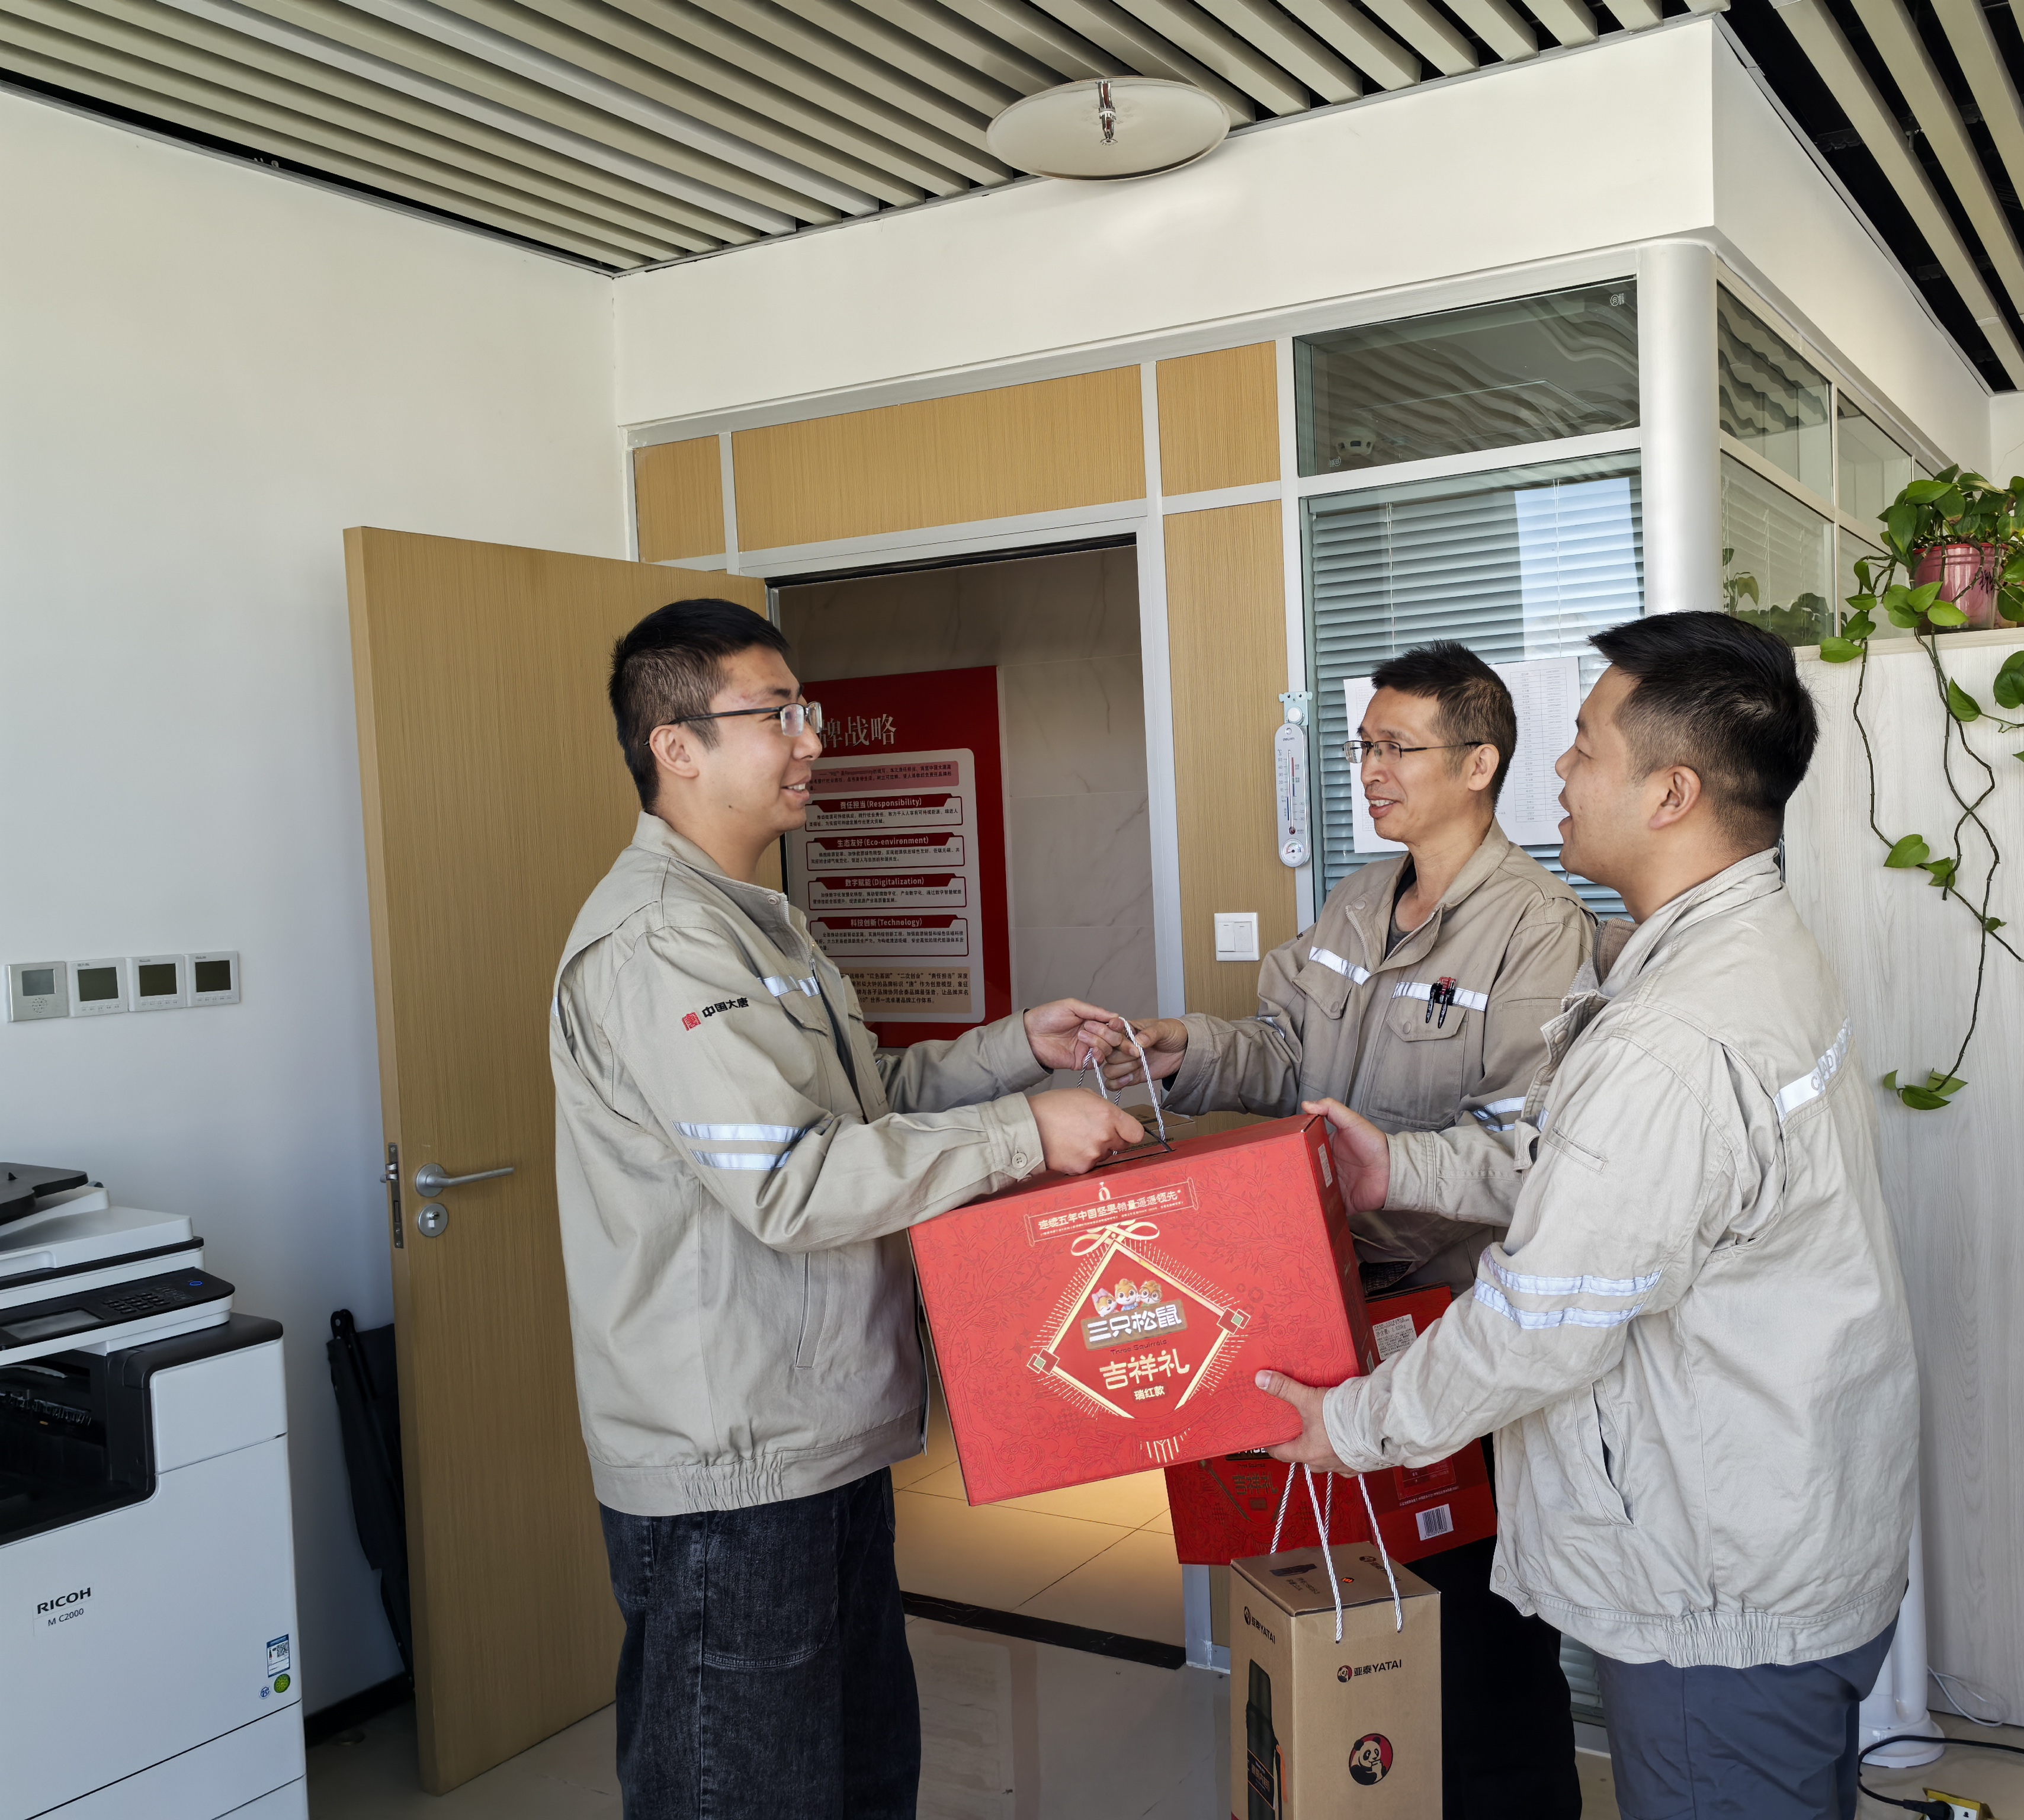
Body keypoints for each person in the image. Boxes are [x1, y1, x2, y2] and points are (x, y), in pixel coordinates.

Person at [1258, 611, 1920, 1819]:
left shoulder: (1672, 1030)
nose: (1556, 772)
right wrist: (1397, 1169)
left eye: (1582, 746)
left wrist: (1345, 1424)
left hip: (1718, 1579)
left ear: (1671, 794)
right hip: (1779, 1522)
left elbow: (1541, 1319)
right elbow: (1595, 1176)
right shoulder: (1739, 949)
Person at [549, 599, 1149, 1819]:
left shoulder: (758, 923)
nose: (812, 739)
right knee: (747, 1793)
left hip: (819, 1434)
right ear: (677, 746)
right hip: (733, 1469)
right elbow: (792, 1180)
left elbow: (863, 1107)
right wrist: (1021, 1136)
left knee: (863, 1779)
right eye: (778, 714)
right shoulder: (662, 944)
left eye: (805, 710)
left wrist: (1012, 1054)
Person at [1122, 640, 1593, 1820]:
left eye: (1397, 747)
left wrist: (1387, 1165)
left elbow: (1528, 1147)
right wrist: (1188, 1051)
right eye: (1362, 746)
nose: (1371, 770)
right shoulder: (1353, 901)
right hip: (1332, 1305)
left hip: (1454, 1328)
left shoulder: (1537, 928)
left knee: (1477, 1628)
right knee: (1365, 1609)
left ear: (1479, 763)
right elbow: (1285, 1052)